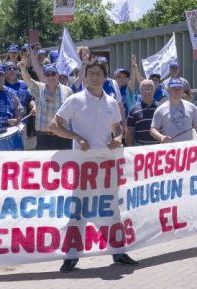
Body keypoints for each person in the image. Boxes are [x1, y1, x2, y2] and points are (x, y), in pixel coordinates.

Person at [49, 59, 137, 272]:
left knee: (111, 209)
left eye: (99, 73)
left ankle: (118, 252)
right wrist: (77, 138)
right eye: (91, 74)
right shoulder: (75, 100)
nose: (95, 77)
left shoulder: (112, 103)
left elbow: (117, 129)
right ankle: (71, 256)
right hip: (83, 165)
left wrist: (118, 138)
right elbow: (54, 126)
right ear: (85, 77)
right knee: (79, 211)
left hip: (106, 164)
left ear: (105, 77)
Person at [20, 57, 72, 150]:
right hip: (43, 138)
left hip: (63, 137)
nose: (51, 77)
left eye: (53, 74)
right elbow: (27, 79)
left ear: (58, 75)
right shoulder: (38, 88)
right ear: (44, 77)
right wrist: (23, 69)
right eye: (47, 74)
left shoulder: (67, 90)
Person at [150, 78, 197, 143]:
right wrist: (161, 137)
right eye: (174, 88)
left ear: (182, 90)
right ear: (168, 90)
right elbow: (153, 130)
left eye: (179, 88)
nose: (177, 91)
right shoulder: (160, 110)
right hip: (170, 150)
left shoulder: (191, 107)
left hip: (187, 149)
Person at [125, 80, 160, 146]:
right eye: (144, 88)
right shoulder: (133, 109)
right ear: (140, 91)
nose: (147, 91)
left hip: (158, 149)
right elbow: (129, 131)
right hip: (140, 148)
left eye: (150, 87)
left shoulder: (161, 108)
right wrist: (129, 148)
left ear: (154, 90)